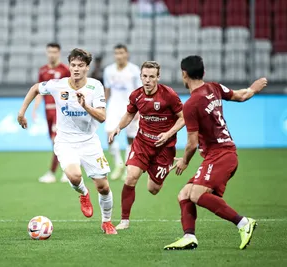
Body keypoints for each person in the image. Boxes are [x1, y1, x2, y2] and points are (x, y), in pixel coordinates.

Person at [164, 55, 267, 250]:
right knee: (185, 194)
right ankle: (189, 236)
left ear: (183, 74)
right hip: (222, 154)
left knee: (195, 194)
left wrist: (184, 161)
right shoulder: (214, 87)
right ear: (203, 72)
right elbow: (241, 96)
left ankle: (243, 223)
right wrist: (254, 88)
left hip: (220, 155)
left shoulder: (191, 104)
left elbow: (192, 144)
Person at [18, 48, 117, 234]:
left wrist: (85, 105)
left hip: (89, 141)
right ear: (69, 66)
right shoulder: (58, 85)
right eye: (73, 65)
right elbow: (35, 88)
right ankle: (84, 194)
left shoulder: (95, 86)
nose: (76, 69)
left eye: (81, 65)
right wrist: (22, 112)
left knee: (103, 187)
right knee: (74, 175)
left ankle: (106, 222)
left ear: (87, 67)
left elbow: (102, 117)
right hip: (65, 141)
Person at [109, 61, 185, 230]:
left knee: (153, 189)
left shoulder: (169, 95)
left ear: (158, 77)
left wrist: (168, 134)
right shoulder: (136, 95)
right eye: (145, 76)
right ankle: (124, 220)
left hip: (164, 147)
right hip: (142, 143)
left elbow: (183, 117)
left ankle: (169, 163)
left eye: (152, 76)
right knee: (131, 177)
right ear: (140, 76)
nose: (148, 80)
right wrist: (118, 128)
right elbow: (129, 114)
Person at [32, 43, 71, 183]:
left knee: (57, 140)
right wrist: (35, 109)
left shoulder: (65, 70)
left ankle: (55, 172)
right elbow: (39, 91)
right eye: (49, 52)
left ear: (59, 53)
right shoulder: (43, 71)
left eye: (54, 52)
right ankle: (65, 171)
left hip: (60, 111)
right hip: (47, 110)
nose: (52, 54)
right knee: (55, 142)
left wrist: (64, 106)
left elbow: (69, 90)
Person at [104, 44, 142, 180]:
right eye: (116, 53)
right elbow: (107, 90)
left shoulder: (134, 70)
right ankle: (118, 164)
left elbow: (140, 91)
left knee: (130, 139)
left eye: (121, 53)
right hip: (114, 106)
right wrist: (102, 106)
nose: (119, 56)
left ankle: (127, 167)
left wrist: (139, 109)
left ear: (127, 54)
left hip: (130, 108)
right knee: (109, 135)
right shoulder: (109, 70)